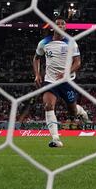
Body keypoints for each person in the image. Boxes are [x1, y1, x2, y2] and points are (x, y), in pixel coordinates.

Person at [32, 18, 90, 148]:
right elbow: (36, 58)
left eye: (62, 24)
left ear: (65, 27)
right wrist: (37, 74)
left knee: (72, 112)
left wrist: (66, 73)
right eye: (57, 23)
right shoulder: (44, 43)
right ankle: (56, 139)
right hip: (50, 80)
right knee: (48, 105)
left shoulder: (71, 42)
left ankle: (81, 111)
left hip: (67, 81)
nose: (59, 25)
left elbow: (77, 62)